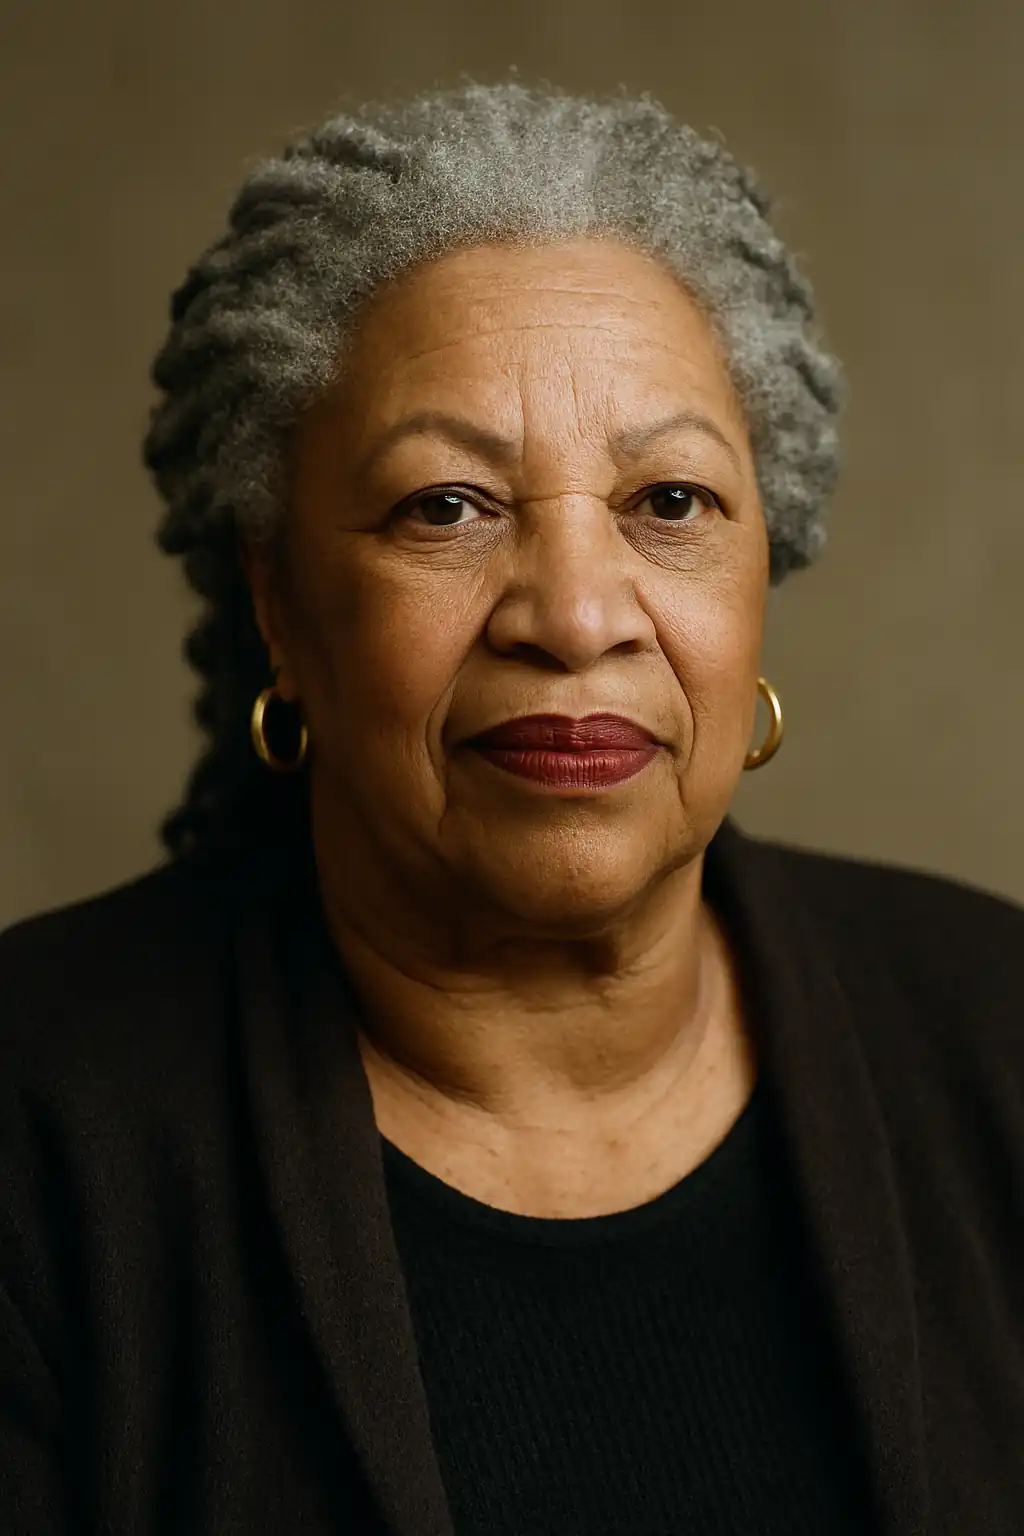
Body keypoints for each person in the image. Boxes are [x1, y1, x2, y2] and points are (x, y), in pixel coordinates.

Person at [1, 81, 1021, 1536]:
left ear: (761, 572)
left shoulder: (995, 1029)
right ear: (279, 601)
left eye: (670, 503)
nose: (578, 615)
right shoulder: (38, 1123)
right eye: (447, 506)